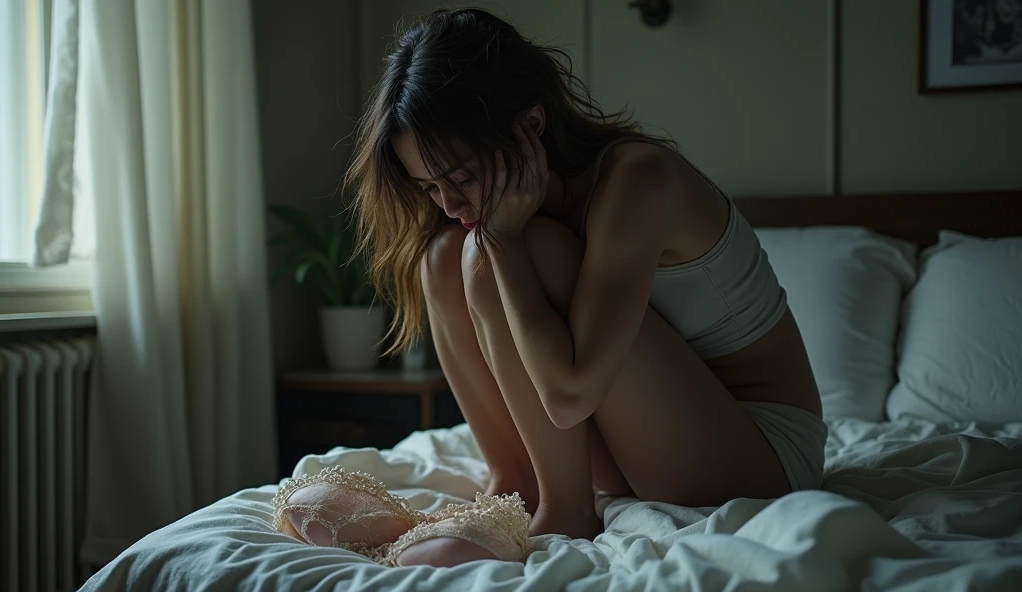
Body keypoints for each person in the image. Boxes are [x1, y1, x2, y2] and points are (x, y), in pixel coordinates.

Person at [275, 6, 826, 567]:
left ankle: (565, 509)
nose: (450, 203)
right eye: (429, 187)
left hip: (757, 451)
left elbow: (568, 398)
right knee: (443, 255)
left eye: (461, 177)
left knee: (503, 248)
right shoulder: (486, 219)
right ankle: (514, 484)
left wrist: (508, 244)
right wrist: (498, 241)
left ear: (532, 126)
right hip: (646, 436)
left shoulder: (638, 181)